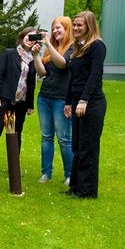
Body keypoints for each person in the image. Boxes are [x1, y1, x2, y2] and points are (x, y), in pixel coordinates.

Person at [0, 27, 40, 180]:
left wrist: (30, 104)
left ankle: (14, 167)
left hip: (19, 104)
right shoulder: (10, 54)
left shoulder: (33, 59)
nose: (29, 39)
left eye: (33, 38)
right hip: (4, 101)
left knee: (15, 135)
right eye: (27, 36)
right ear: (22, 37)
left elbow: (30, 83)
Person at [64, 10, 107, 199]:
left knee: (88, 147)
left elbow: (94, 76)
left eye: (79, 25)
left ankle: (87, 191)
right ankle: (74, 187)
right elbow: (73, 78)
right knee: (77, 146)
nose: (75, 28)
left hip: (92, 103)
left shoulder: (97, 46)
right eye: (74, 25)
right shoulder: (77, 49)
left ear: (89, 26)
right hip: (76, 102)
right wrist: (68, 102)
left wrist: (84, 100)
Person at [33, 16, 74, 186]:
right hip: (44, 97)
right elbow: (42, 72)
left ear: (67, 29)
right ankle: (46, 173)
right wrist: (36, 56)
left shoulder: (72, 47)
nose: (56, 31)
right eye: (54, 28)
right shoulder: (51, 49)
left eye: (59, 28)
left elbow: (63, 63)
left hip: (62, 99)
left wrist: (48, 43)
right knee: (46, 137)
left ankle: (70, 174)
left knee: (64, 138)